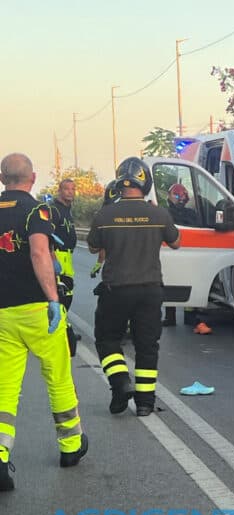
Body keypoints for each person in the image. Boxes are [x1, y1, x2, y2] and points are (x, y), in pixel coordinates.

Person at [0, 153, 88, 492]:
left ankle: (1, 455)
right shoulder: (37, 211)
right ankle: (71, 447)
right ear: (32, 178)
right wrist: (53, 299)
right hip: (37, 309)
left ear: (2, 178)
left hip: (3, 313)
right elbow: (39, 252)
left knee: (6, 387)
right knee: (58, 377)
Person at [88, 157, 180, 416]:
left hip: (116, 290)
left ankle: (120, 383)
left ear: (119, 182)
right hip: (150, 290)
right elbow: (176, 243)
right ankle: (145, 403)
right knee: (147, 346)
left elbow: (93, 247)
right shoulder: (158, 214)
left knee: (107, 339)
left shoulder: (105, 215)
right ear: (145, 182)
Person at [162, 183, 212, 335]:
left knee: (174, 282)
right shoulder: (186, 214)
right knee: (180, 283)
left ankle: (174, 317)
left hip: (178, 252)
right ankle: (186, 317)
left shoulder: (167, 213)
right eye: (177, 195)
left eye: (180, 196)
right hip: (182, 253)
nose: (180, 199)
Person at [49, 178, 77, 306]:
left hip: (67, 257)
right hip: (57, 255)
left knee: (67, 292)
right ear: (59, 191)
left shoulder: (67, 210)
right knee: (60, 295)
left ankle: (64, 317)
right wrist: (53, 259)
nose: (70, 192)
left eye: (73, 189)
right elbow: (47, 236)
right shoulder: (54, 210)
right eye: (66, 189)